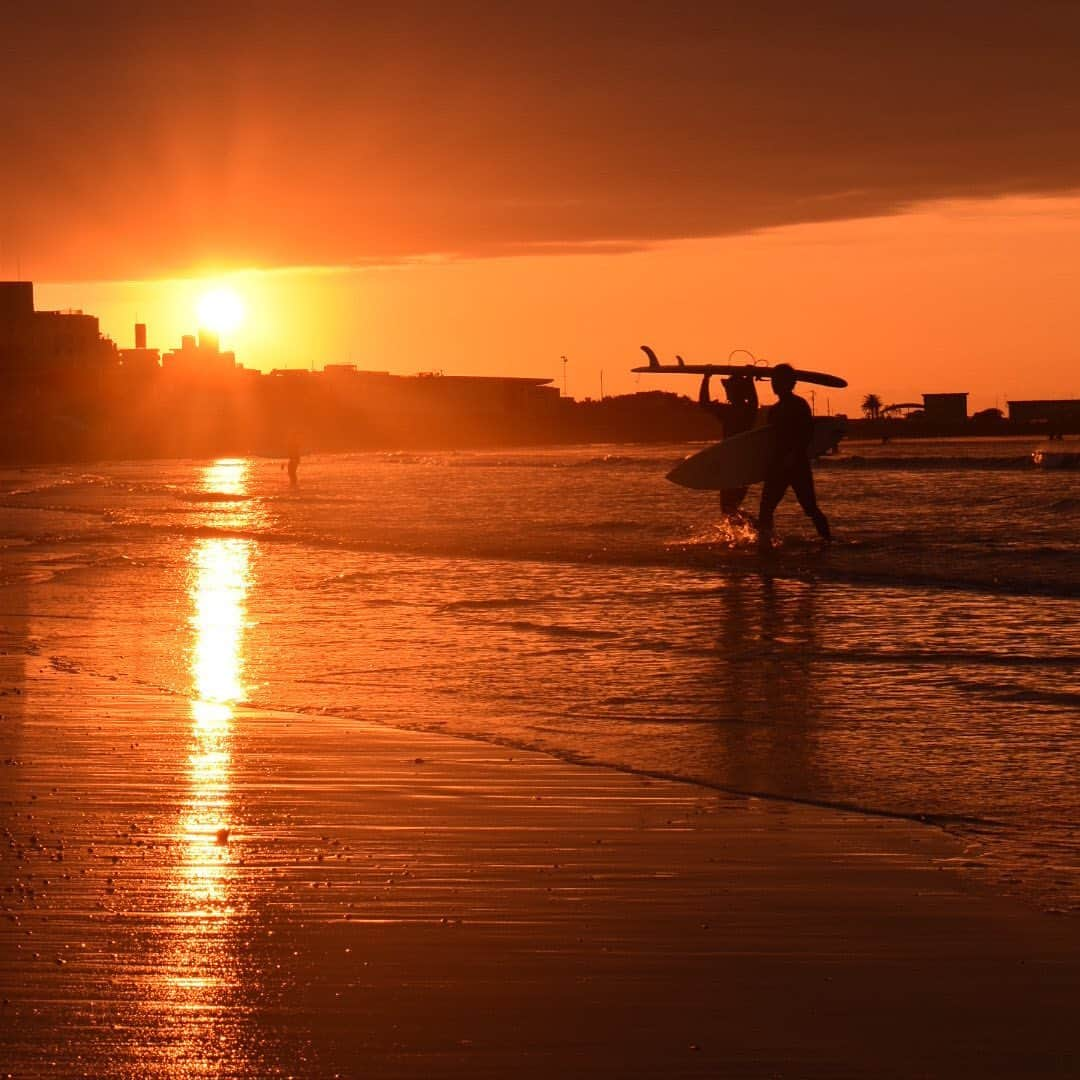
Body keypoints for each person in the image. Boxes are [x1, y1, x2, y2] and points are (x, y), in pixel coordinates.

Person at [757, 363, 831, 554]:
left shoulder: (799, 405)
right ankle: (765, 546)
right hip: (777, 465)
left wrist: (794, 455)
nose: (774, 385)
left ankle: (829, 541)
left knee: (810, 508)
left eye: (778, 381)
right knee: (766, 508)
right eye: (773, 381)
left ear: (790, 383)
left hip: (796, 464)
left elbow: (806, 433)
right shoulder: (774, 409)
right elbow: (769, 439)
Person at [698, 370, 758, 517]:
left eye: (729, 389)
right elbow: (752, 398)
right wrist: (749, 378)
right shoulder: (749, 409)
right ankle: (755, 531)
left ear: (736, 391)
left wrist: (706, 378)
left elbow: (704, 403)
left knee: (728, 509)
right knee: (730, 508)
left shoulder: (731, 411)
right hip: (744, 465)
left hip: (735, 465)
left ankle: (759, 530)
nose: (727, 392)